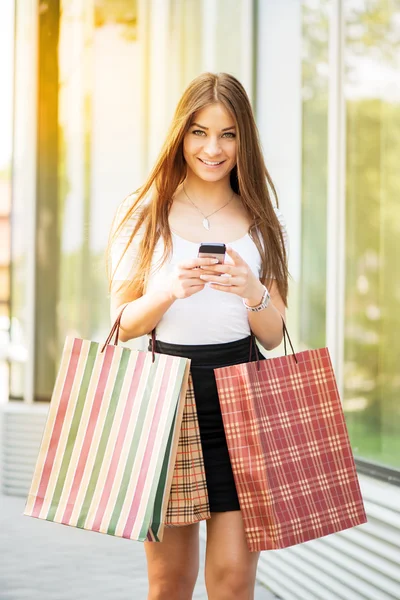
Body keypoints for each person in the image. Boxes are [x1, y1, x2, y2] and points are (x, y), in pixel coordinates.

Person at [108, 72, 289, 600]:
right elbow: (121, 325)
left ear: (244, 140)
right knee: (169, 583)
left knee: (233, 582)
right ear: (180, 135)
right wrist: (166, 291)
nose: (213, 148)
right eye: (199, 132)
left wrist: (252, 290)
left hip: (243, 395)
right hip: (166, 400)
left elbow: (275, 333)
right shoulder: (144, 214)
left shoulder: (263, 221)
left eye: (228, 134)